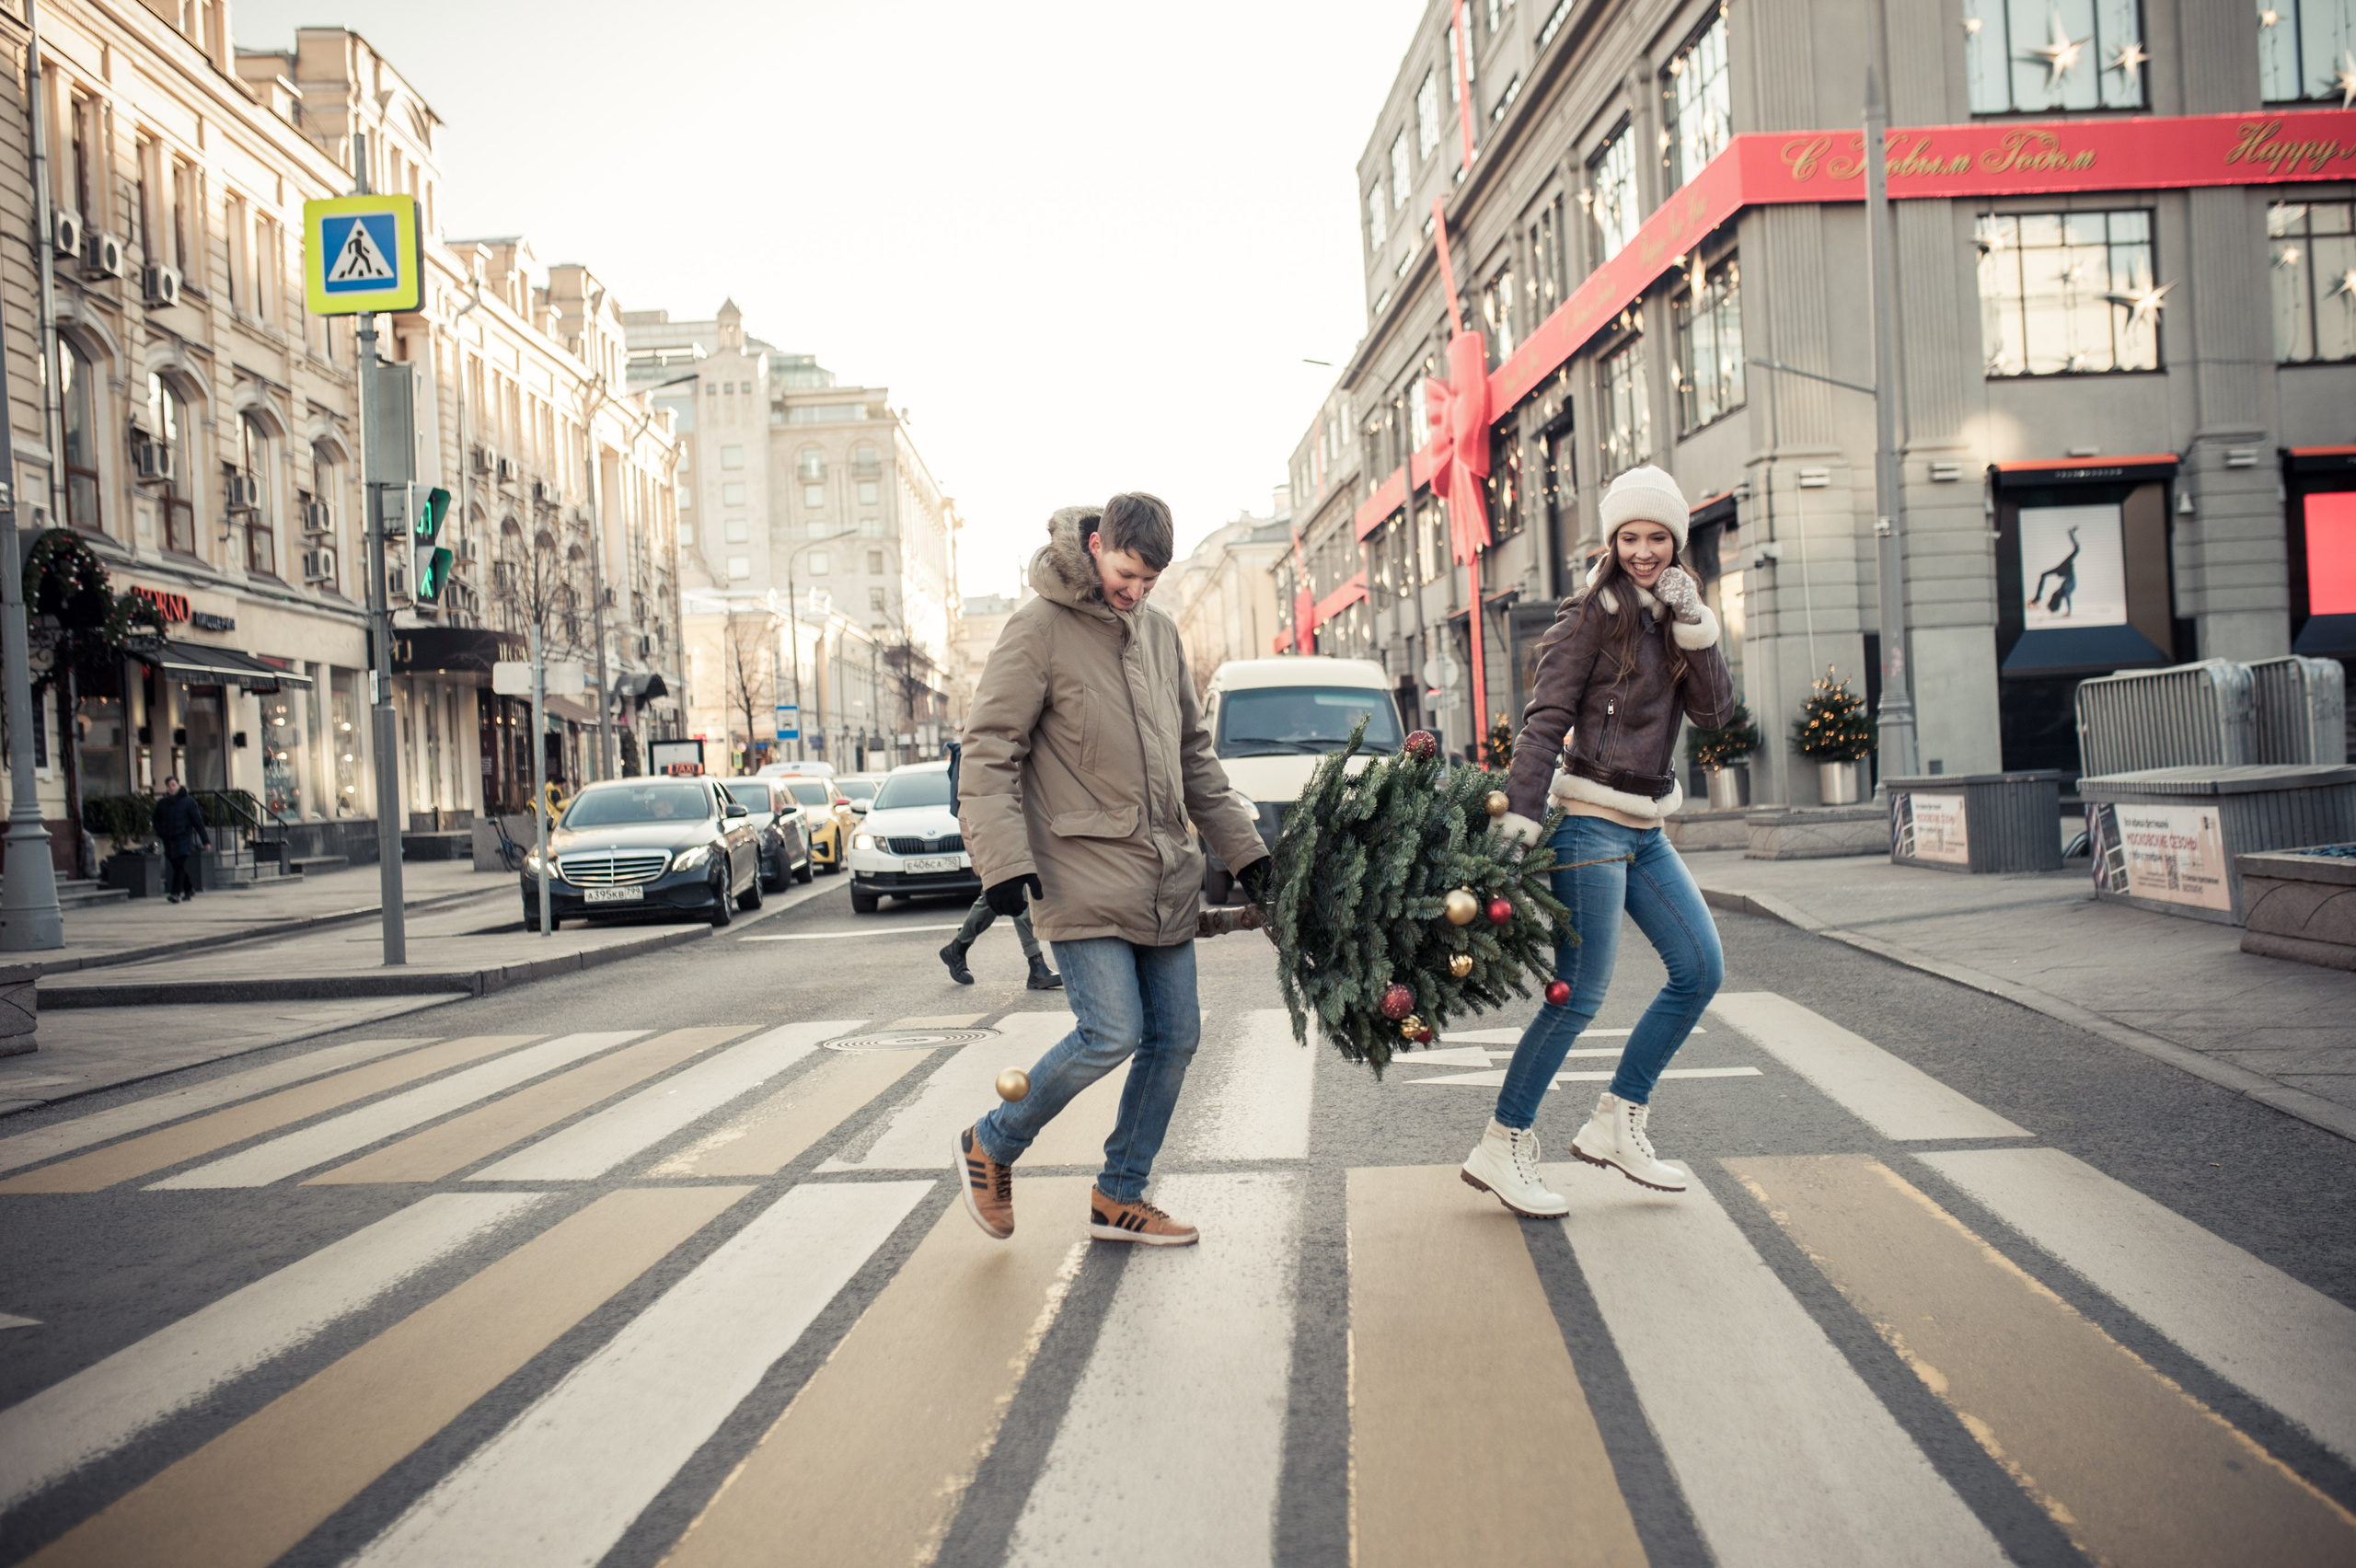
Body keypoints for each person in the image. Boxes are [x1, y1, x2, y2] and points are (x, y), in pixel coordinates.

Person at [953, 494, 1271, 1247]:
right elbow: (989, 750)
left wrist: (1249, 855)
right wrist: (1001, 862)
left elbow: (1194, 758)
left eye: (1150, 581)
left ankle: (1120, 1197)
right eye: (1127, 574)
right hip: (1076, 872)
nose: (1136, 592)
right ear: (1096, 545)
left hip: (1161, 874)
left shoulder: (1160, 635)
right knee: (1111, 1031)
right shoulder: (1038, 628)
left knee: (1178, 1036)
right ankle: (992, 1142)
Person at [1460, 464, 1737, 1217]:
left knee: (1700, 970)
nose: (1643, 551)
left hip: (1645, 826)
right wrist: (1518, 821)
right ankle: (1502, 1143)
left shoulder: (1676, 614)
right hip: (1587, 821)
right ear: (1612, 542)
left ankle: (1618, 1119)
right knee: (1579, 993)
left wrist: (1696, 624)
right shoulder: (1589, 616)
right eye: (1629, 537)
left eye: (1657, 538)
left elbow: (1716, 714)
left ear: (1676, 541)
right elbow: (1544, 722)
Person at [939, 739, 1061, 990]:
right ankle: (1036, 965)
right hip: (986, 834)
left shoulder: (994, 744)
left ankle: (957, 948)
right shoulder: (975, 751)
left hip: (1000, 831)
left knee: (994, 896)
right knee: (1013, 886)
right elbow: (970, 807)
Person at [154, 776, 210, 905]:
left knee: (179, 864)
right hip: (169, 839)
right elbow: (156, 820)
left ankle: (175, 893)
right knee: (176, 865)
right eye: (169, 786)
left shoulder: (188, 802)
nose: (171, 788)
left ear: (178, 786)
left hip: (183, 838)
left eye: (173, 785)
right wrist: (160, 832)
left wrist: (205, 841)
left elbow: (198, 822)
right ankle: (188, 888)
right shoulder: (163, 803)